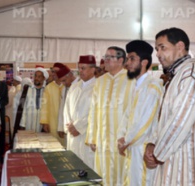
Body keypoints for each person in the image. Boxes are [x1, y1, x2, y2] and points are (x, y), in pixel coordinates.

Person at [143, 27, 195, 186]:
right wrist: (152, 143)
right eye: (157, 49)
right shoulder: (177, 75)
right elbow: (164, 117)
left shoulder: (192, 74)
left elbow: (179, 122)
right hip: (172, 158)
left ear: (180, 46)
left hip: (190, 164)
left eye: (163, 48)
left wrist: (156, 154)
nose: (158, 54)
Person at [85, 46, 135, 185]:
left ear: (120, 60)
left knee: (122, 175)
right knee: (103, 174)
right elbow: (93, 110)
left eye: (109, 57)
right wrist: (92, 137)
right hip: (102, 139)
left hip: (123, 140)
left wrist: (129, 137)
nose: (105, 60)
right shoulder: (100, 81)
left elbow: (134, 111)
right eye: (105, 57)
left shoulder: (132, 80)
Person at [117, 40, 163, 186]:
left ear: (144, 62)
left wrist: (126, 141)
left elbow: (144, 122)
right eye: (127, 59)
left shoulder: (152, 87)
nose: (127, 63)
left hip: (143, 147)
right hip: (132, 146)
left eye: (132, 59)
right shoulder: (136, 85)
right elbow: (127, 115)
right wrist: (121, 136)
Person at [63, 55, 96, 169]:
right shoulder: (74, 87)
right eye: (79, 68)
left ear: (93, 69)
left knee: (87, 167)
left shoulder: (98, 87)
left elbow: (96, 112)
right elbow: (66, 108)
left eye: (84, 68)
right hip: (72, 135)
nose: (80, 71)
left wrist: (78, 127)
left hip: (86, 134)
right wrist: (69, 126)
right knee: (72, 167)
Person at [40, 63, 65, 144]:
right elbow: (44, 106)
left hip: (66, 123)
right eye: (53, 72)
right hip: (53, 121)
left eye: (55, 72)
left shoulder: (68, 86)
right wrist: (45, 122)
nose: (53, 74)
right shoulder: (48, 88)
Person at [18, 67, 48, 132]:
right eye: (36, 76)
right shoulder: (27, 90)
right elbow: (23, 108)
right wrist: (22, 124)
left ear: (44, 78)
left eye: (39, 77)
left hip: (41, 123)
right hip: (28, 122)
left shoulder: (46, 91)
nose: (37, 78)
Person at [56, 65, 79, 146]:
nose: (63, 83)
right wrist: (60, 127)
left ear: (70, 75)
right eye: (61, 81)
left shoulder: (80, 86)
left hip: (78, 129)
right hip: (68, 127)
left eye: (64, 80)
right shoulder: (64, 89)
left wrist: (77, 126)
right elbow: (62, 109)